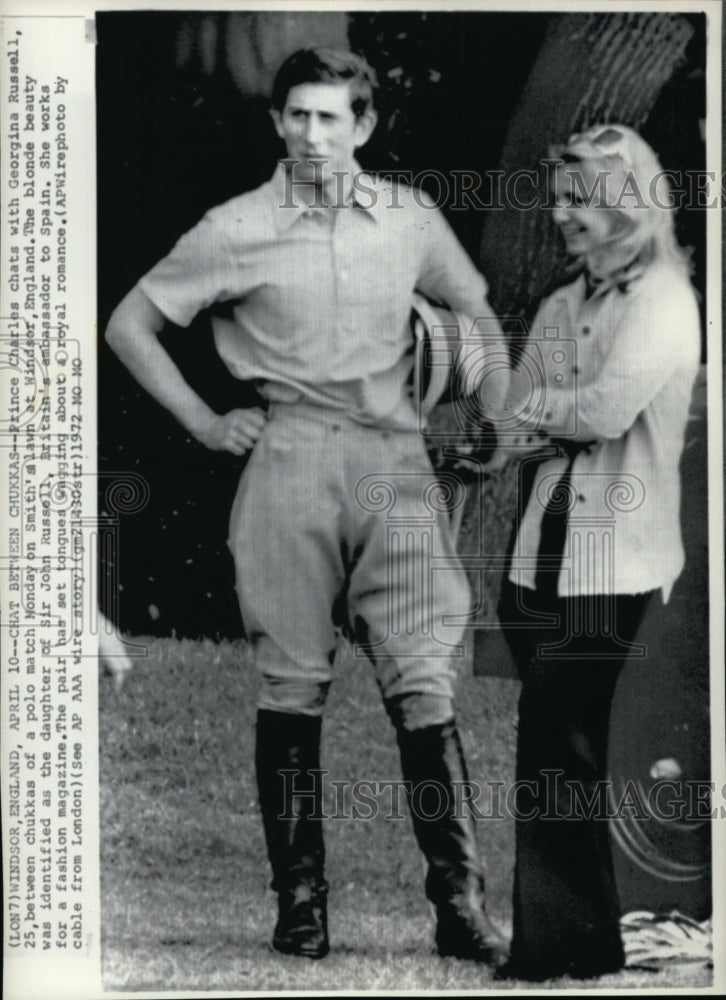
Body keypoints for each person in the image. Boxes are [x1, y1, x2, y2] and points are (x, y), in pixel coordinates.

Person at [105, 47, 508, 965]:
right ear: (278, 122)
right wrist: (207, 423)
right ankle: (301, 906)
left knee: (424, 684)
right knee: (291, 687)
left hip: (395, 467)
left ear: (363, 126)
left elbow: (476, 311)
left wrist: (491, 418)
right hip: (288, 462)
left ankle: (461, 906)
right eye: (298, 117)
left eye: (332, 119)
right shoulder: (236, 226)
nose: (313, 135)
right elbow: (130, 324)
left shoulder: (408, 218)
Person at [491, 125, 701, 981]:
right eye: (559, 198)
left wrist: (540, 412)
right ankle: (562, 945)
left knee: (565, 742)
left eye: (581, 199)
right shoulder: (561, 303)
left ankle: (566, 952)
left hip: (612, 563)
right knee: (546, 749)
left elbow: (602, 412)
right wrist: (538, 415)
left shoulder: (663, 300)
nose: (561, 215)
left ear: (627, 203)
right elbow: (514, 421)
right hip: (537, 558)